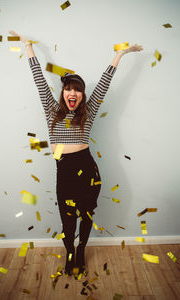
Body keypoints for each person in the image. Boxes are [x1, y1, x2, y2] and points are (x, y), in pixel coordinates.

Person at [9, 30, 143, 276]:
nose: (73, 93)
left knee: (86, 214)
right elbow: (38, 78)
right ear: (63, 93)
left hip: (87, 169)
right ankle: (70, 252)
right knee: (67, 220)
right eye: (68, 89)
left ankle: (81, 250)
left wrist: (120, 54)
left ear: (82, 96)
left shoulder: (87, 113)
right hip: (65, 171)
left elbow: (105, 82)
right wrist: (28, 46)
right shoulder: (52, 111)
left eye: (78, 90)